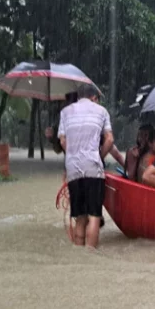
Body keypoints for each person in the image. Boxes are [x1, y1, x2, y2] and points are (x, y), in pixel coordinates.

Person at [57, 84, 114, 249]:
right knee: (94, 215)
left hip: (73, 169)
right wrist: (99, 156)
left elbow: (62, 141)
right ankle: (90, 256)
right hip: (93, 168)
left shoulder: (65, 112)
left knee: (80, 217)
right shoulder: (101, 111)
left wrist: (73, 155)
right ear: (94, 98)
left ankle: (79, 253)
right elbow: (109, 140)